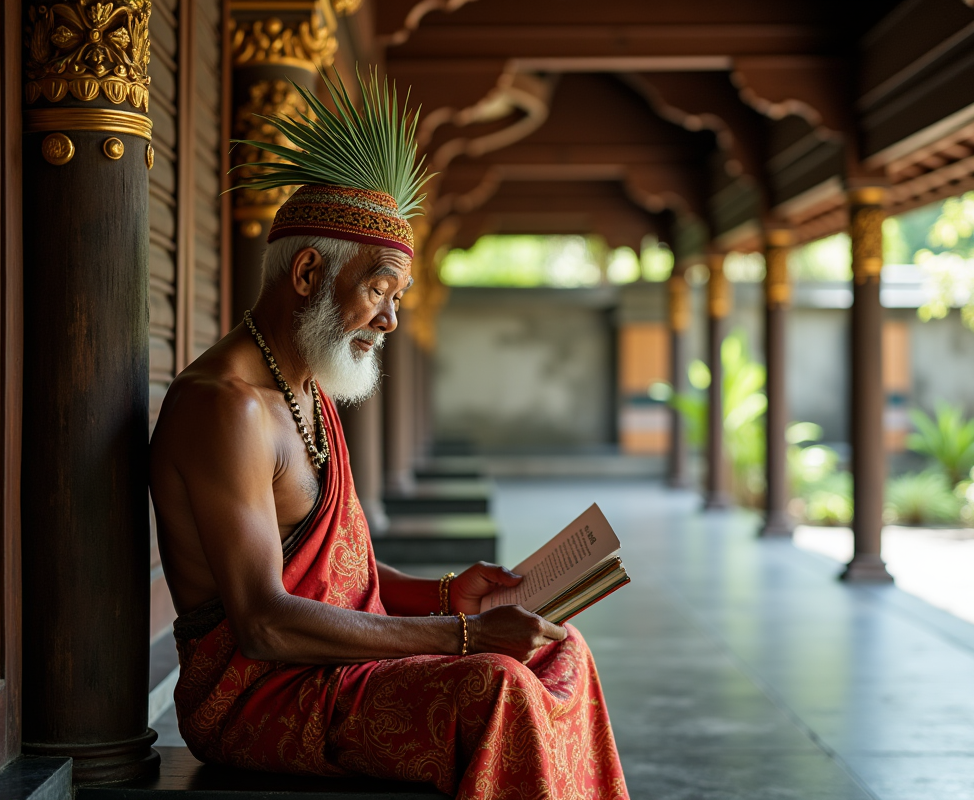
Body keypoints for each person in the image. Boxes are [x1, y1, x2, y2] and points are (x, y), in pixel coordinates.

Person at [149, 69, 628, 799]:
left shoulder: (305, 385)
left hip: (330, 671)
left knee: (562, 653)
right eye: (378, 289)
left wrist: (446, 596)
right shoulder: (227, 408)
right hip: (257, 697)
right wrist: (464, 640)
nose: (391, 320)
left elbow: (352, 588)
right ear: (309, 272)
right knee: (497, 686)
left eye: (397, 298)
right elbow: (265, 626)